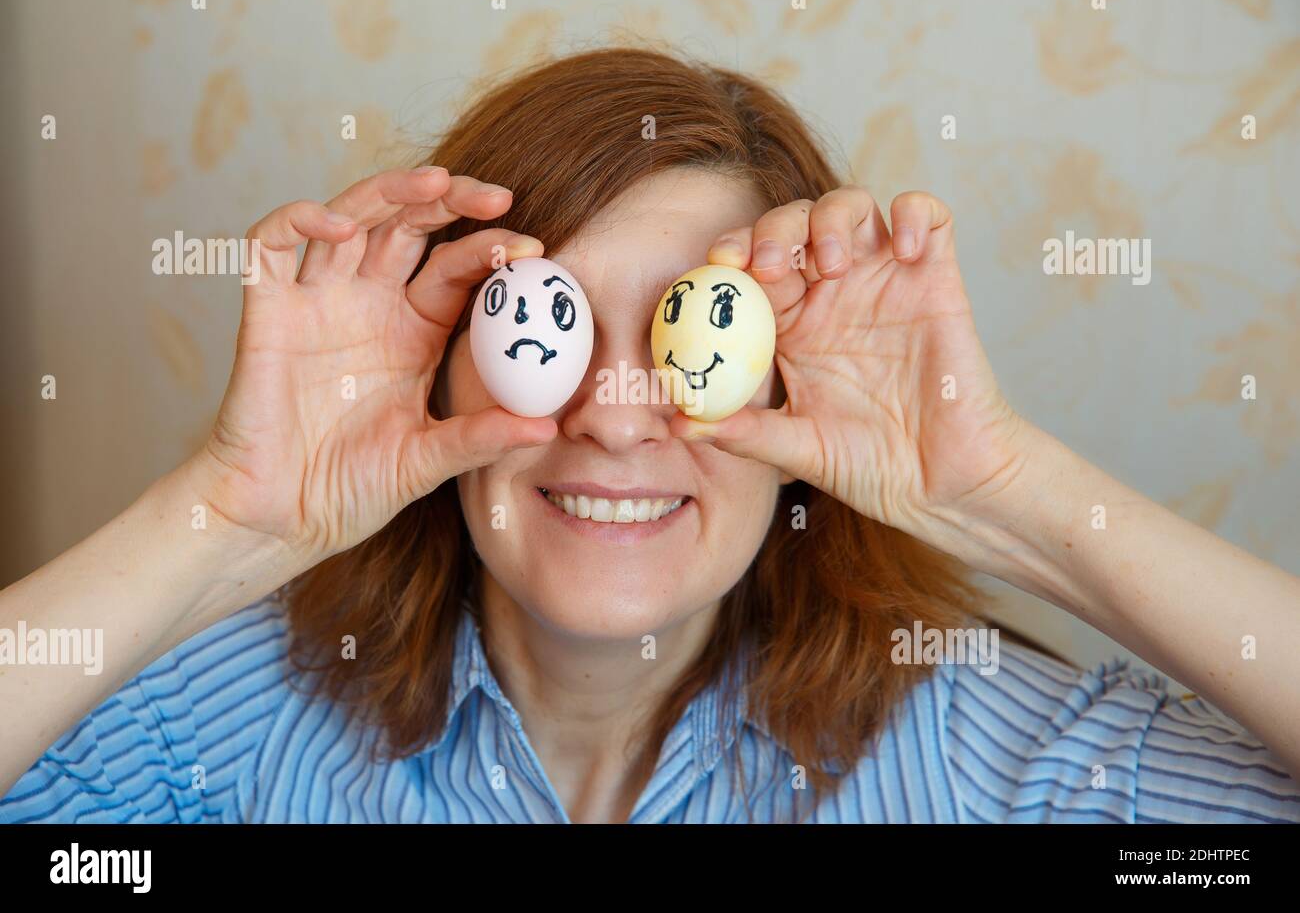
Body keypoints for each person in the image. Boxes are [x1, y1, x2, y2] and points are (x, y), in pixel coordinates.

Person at [2, 47, 1298, 824]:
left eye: (696, 337)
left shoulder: (980, 761)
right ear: (434, 373)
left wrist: (998, 492)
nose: (618, 415)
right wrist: (232, 520)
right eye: (548, 325)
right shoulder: (228, 740)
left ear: (802, 397)